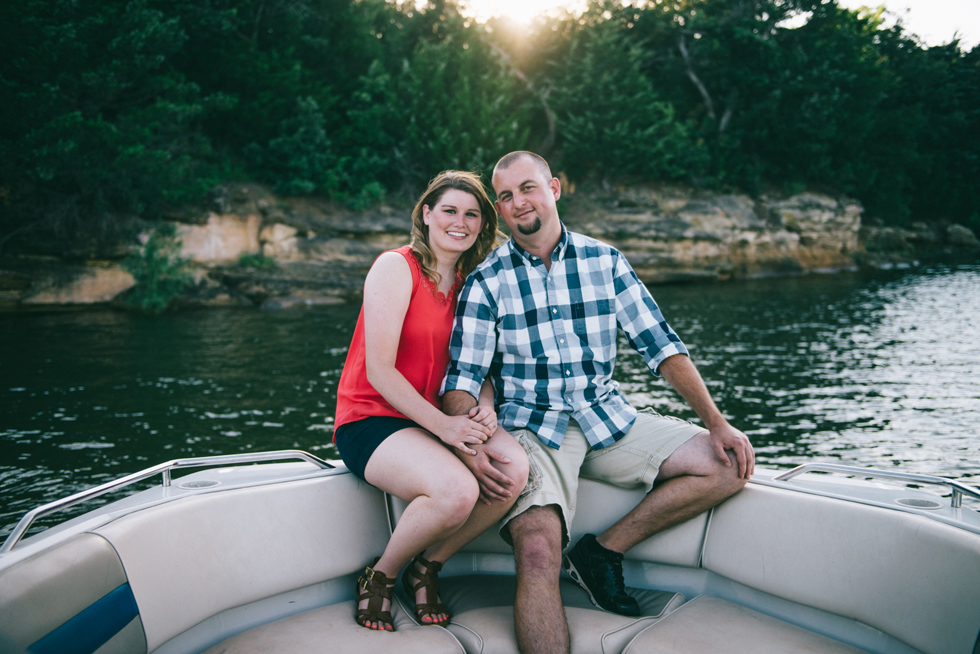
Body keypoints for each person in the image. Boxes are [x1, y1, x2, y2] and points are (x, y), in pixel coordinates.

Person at [442, 151, 755, 654]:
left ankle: (603, 551)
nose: (518, 202)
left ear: (555, 188)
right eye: (504, 196)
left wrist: (716, 423)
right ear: (499, 209)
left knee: (728, 465)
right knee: (539, 549)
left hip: (609, 416)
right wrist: (476, 447)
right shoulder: (485, 282)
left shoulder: (604, 261)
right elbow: (461, 381)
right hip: (532, 430)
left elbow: (661, 345)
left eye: (527, 188)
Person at [333, 170, 529, 632]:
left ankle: (430, 565)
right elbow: (379, 371)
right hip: (373, 417)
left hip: (437, 419)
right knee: (457, 492)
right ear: (426, 214)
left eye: (472, 214)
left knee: (513, 470)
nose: (459, 222)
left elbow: (476, 361)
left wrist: (485, 402)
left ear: (483, 224)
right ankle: (380, 576)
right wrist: (448, 431)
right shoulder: (394, 267)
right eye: (449, 211)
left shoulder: (472, 282)